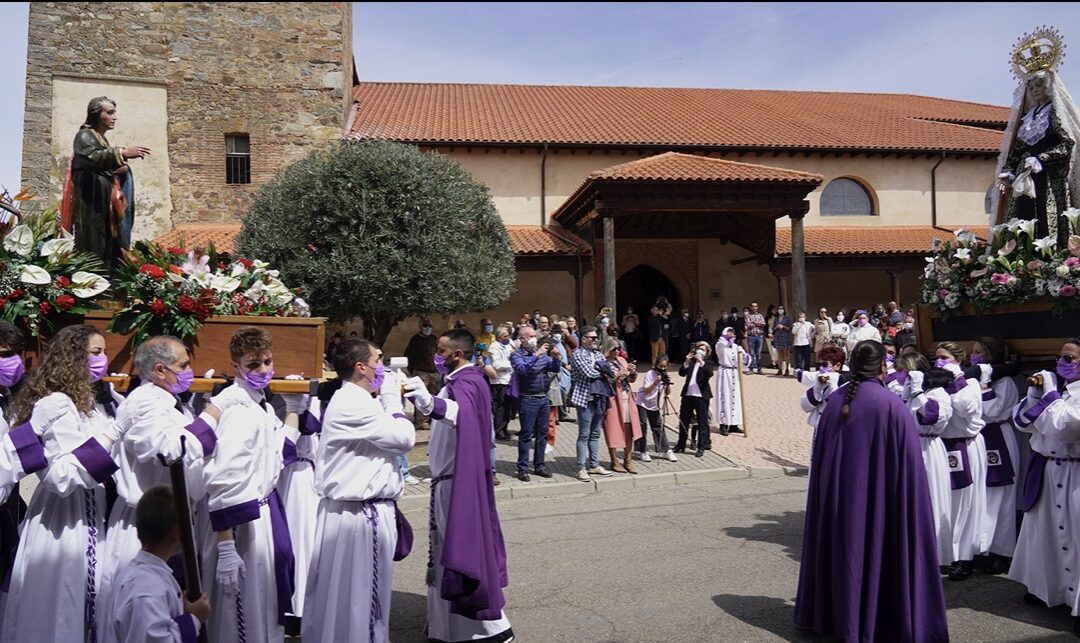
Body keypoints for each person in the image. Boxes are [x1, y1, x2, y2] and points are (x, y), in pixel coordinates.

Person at [794, 340, 948, 642]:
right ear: (882, 366)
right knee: (875, 549)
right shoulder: (890, 405)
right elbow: (908, 469)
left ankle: (840, 617)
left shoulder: (836, 401)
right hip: (878, 505)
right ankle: (877, 619)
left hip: (839, 504)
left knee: (845, 553)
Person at [2, 324, 120, 642]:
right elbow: (60, 477)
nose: (103, 359)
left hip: (92, 516)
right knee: (61, 608)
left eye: (105, 352)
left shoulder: (91, 406)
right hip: (64, 522)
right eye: (96, 353)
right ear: (73, 357)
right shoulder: (55, 404)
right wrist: (112, 435)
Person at [302, 339, 415, 643]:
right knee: (364, 597)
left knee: (345, 595)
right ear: (361, 367)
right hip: (361, 516)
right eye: (379, 359)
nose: (384, 367)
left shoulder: (357, 399)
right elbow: (404, 439)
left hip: (352, 513)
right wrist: (393, 401)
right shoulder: (354, 402)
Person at [403, 329, 513, 643]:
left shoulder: (469, 382)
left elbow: (459, 415)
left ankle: (488, 630)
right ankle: (445, 629)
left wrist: (426, 401)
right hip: (446, 482)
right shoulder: (457, 382)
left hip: (457, 483)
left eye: (441, 350)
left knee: (460, 552)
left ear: (457, 354)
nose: (437, 355)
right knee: (442, 553)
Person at [101, 337, 224, 614]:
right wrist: (214, 413)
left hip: (174, 523)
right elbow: (172, 449)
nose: (189, 371)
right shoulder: (144, 404)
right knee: (148, 613)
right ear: (159, 370)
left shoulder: (170, 402)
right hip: (146, 527)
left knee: (175, 612)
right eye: (183, 365)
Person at [202, 327, 302, 643]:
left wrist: (295, 409)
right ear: (236, 367)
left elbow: (277, 452)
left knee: (262, 606)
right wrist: (227, 546)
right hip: (240, 523)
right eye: (253, 364)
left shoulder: (261, 404)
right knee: (240, 612)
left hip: (261, 517)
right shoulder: (236, 407)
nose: (262, 370)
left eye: (267, 362)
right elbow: (225, 478)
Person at [1010, 338, 1080, 631]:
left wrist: (1050, 396)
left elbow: (1065, 427)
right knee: (1046, 533)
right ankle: (1046, 588)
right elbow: (1021, 421)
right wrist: (1036, 394)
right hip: (1048, 470)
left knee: (1076, 536)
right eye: (1061, 356)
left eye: (1071, 357)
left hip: (1075, 473)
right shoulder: (1059, 392)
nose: (1064, 362)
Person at [101, 485, 211, 643]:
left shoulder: (149, 578)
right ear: (177, 531)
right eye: (190, 522)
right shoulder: (145, 589)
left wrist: (184, 613)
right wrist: (194, 619)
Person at [62, 96, 150, 271]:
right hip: (91, 202)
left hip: (104, 204)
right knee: (94, 243)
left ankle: (107, 279)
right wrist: (122, 153)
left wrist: (120, 169)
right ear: (96, 115)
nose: (114, 117)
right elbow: (90, 158)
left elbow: (102, 165)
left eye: (114, 113)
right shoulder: (85, 135)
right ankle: (93, 281)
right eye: (109, 113)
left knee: (109, 244)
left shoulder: (101, 140)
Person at [995, 67, 1080, 246]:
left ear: (1048, 87)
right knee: (1022, 215)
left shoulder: (1054, 112)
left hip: (1048, 175)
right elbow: (1017, 149)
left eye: (1039, 85)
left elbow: (1068, 143)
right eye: (1032, 86)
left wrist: (1041, 158)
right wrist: (1008, 169)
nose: (1035, 89)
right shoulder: (1027, 117)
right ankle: (1022, 258)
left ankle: (1052, 254)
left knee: (1045, 214)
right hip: (1024, 175)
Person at [894, 352, 955, 568]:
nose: (899, 375)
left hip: (928, 449)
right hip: (909, 448)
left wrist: (919, 392)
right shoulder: (908, 393)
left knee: (930, 498)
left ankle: (933, 555)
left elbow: (930, 417)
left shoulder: (939, 393)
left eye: (903, 371)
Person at [935, 341, 988, 581]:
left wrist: (956, 381)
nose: (940, 362)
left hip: (964, 444)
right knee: (945, 502)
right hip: (943, 445)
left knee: (965, 503)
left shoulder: (972, 383)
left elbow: (967, 408)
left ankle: (963, 556)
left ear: (958, 360)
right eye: (937, 357)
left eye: (944, 357)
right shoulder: (937, 381)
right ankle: (946, 553)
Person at [969, 337, 1019, 576]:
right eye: (972, 352)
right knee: (983, 496)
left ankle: (1002, 551)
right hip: (980, 438)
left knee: (1001, 496)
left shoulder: (1005, 382)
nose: (973, 356)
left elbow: (994, 411)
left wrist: (985, 387)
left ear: (989, 357)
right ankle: (983, 548)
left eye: (978, 352)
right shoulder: (971, 381)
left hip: (998, 437)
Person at [509, 326, 559, 481]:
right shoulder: (517, 355)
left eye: (534, 335)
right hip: (528, 399)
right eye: (530, 336)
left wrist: (557, 357)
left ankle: (540, 465)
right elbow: (522, 370)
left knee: (543, 433)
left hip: (543, 398)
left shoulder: (543, 354)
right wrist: (537, 355)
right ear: (522, 339)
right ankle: (522, 468)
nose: (533, 338)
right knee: (526, 434)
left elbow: (554, 368)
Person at [569, 326, 616, 482]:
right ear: (583, 339)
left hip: (599, 397)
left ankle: (594, 465)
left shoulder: (598, 354)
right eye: (592, 338)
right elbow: (589, 373)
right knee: (584, 434)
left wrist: (605, 371)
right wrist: (604, 371)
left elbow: (610, 371)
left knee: (595, 433)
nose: (596, 340)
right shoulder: (577, 354)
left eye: (597, 338)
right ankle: (581, 468)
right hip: (584, 398)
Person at [601, 338, 641, 474]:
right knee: (613, 428)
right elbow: (604, 380)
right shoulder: (603, 362)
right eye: (614, 349)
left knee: (629, 429)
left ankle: (628, 460)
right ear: (608, 349)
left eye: (619, 348)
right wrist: (618, 374)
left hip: (626, 397)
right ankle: (614, 460)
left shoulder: (622, 361)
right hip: (613, 399)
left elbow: (631, 379)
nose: (617, 351)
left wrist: (631, 372)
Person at [633, 355, 676, 463]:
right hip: (642, 402)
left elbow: (667, 393)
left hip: (653, 404)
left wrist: (667, 384)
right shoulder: (650, 374)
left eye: (664, 366)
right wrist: (656, 382)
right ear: (656, 365)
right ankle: (642, 451)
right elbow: (647, 390)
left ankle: (665, 450)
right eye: (660, 366)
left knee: (658, 426)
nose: (662, 369)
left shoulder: (664, 375)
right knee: (642, 426)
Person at [676, 341, 714, 458]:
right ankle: (681, 444)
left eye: (703, 349)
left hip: (701, 396)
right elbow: (681, 373)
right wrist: (687, 361)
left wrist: (701, 362)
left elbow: (709, 373)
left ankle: (701, 446)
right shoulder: (691, 362)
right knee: (684, 420)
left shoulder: (707, 363)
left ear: (707, 352)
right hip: (688, 395)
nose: (700, 351)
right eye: (699, 348)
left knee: (702, 421)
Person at [404, 317, 439, 432]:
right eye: (425, 326)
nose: (428, 328)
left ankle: (430, 417)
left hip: (433, 371)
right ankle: (421, 421)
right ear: (420, 327)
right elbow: (409, 356)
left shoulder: (433, 339)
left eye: (430, 326)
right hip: (421, 371)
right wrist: (413, 370)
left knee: (432, 396)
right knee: (420, 396)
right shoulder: (415, 340)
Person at [713, 328, 747, 436]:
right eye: (729, 334)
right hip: (725, 372)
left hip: (735, 373)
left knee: (735, 398)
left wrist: (743, 355)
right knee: (725, 397)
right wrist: (726, 338)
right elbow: (722, 345)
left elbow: (745, 360)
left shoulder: (737, 347)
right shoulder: (720, 345)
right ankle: (723, 424)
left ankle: (734, 424)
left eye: (733, 334)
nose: (732, 336)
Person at [489, 325, 514, 440]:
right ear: (499, 337)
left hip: (509, 380)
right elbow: (497, 365)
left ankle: (504, 428)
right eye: (505, 336)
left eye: (508, 335)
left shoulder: (509, 344)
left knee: (508, 407)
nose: (507, 337)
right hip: (499, 381)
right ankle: (498, 430)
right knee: (500, 407)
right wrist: (511, 365)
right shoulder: (494, 348)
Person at [769, 306, 794, 376]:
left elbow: (790, 328)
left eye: (781, 309)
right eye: (779, 309)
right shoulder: (776, 319)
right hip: (778, 336)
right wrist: (776, 327)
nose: (780, 310)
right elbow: (773, 328)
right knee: (779, 353)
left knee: (786, 353)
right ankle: (780, 369)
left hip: (785, 337)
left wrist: (783, 326)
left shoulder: (788, 318)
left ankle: (787, 369)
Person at [745, 303, 766, 374]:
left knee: (758, 353)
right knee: (751, 353)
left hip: (759, 336)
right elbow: (748, 325)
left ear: (757, 307)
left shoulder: (760, 315)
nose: (754, 307)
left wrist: (754, 322)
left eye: (755, 306)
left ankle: (759, 369)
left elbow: (763, 324)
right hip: (751, 336)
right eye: (753, 306)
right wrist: (758, 323)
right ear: (750, 307)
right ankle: (751, 368)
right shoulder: (748, 316)